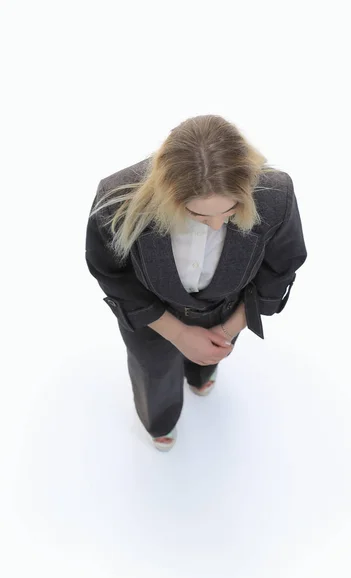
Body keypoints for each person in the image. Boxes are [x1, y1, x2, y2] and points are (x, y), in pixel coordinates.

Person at [85, 114, 308, 452]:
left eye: (230, 212)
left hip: (226, 309)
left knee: (209, 355)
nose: (217, 226)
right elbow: (113, 274)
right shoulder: (116, 196)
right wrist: (176, 333)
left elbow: (280, 269)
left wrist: (228, 330)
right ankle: (160, 420)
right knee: (153, 370)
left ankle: (201, 376)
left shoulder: (275, 194)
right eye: (199, 216)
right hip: (150, 317)